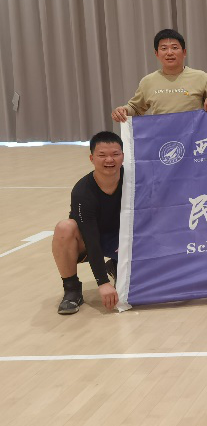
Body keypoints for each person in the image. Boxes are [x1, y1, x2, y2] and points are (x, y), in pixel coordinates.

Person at [51, 132, 124, 314]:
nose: (109, 160)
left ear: (123, 156)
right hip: (92, 238)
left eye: (115, 154)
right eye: (102, 155)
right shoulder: (82, 192)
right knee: (64, 228)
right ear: (92, 158)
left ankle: (117, 265)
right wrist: (102, 282)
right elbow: (91, 239)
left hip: (124, 238)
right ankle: (72, 290)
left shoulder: (135, 179)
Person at [111, 29, 207, 122]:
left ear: (184, 52)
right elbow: (135, 108)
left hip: (194, 138)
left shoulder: (201, 77)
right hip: (162, 138)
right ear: (156, 53)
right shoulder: (147, 81)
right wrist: (123, 110)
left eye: (175, 48)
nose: (169, 53)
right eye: (164, 48)